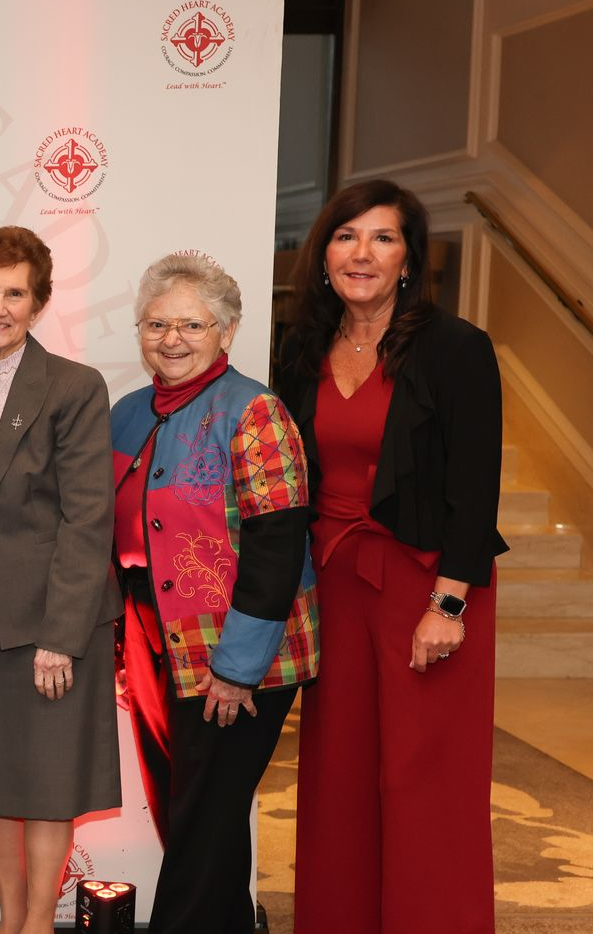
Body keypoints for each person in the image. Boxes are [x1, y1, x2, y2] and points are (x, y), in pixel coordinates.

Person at [277, 180, 503, 934]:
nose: (360, 254)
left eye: (382, 238)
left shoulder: (455, 348)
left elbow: (476, 491)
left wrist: (448, 603)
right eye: (345, 237)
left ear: (408, 257)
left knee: (422, 779)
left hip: (425, 583)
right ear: (323, 254)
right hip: (334, 582)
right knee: (338, 774)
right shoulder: (302, 345)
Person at [109, 253, 318, 933]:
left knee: (203, 809)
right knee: (192, 807)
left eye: (190, 325)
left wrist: (235, 669)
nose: (171, 338)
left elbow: (277, 547)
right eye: (156, 323)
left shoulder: (255, 412)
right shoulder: (126, 414)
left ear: (225, 333)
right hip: (149, 637)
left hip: (233, 648)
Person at [0, 226, 121, 934]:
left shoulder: (74, 387)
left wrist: (60, 636)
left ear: (37, 301)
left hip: (52, 613)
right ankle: (7, 919)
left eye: (13, 292)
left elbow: (87, 518)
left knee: (49, 783)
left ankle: (37, 924)